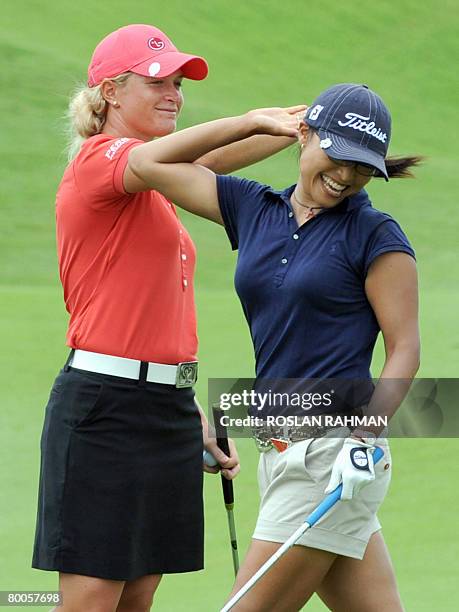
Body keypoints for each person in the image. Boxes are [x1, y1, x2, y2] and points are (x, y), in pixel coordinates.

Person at [32, 24, 306, 612]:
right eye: (157, 81)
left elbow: (212, 161)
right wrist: (255, 119)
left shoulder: (153, 183)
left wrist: (293, 131)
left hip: (165, 411)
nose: (174, 95)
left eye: (178, 85)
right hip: (103, 408)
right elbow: (192, 153)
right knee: (93, 598)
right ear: (109, 91)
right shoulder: (100, 162)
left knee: (138, 597)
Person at [125, 83, 422, 611]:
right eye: (338, 156)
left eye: (362, 167)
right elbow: (148, 162)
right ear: (303, 134)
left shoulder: (375, 235)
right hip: (279, 449)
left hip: (334, 454)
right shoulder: (254, 209)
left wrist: (365, 438)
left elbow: (404, 349)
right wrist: (252, 123)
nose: (347, 175)